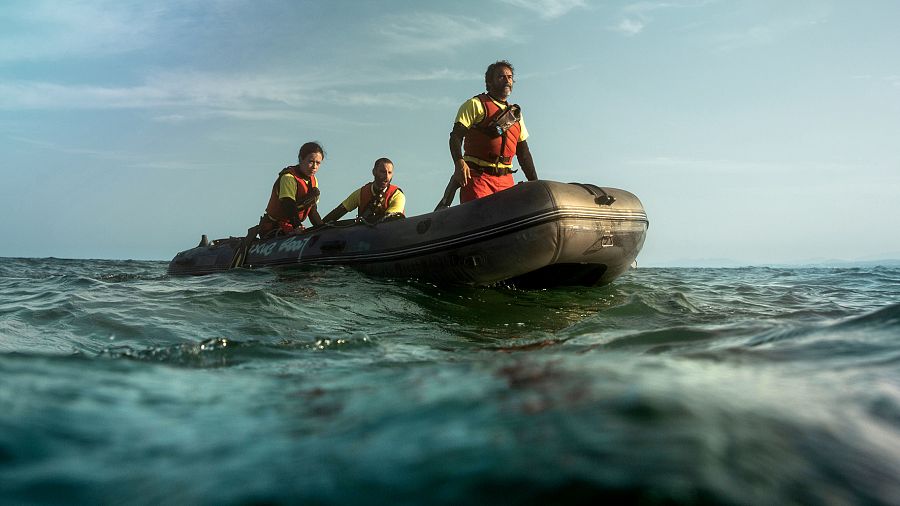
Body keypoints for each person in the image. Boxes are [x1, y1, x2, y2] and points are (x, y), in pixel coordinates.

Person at [435, 60, 539, 209]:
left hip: (506, 181)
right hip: (478, 179)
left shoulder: (516, 115)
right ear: (489, 82)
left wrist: (535, 183)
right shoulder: (475, 105)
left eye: (510, 77)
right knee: (479, 217)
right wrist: (459, 162)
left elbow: (524, 153)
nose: (507, 80)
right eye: (501, 77)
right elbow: (456, 136)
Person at [257, 141, 325, 238]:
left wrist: (322, 228)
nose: (314, 167)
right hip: (274, 227)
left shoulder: (313, 180)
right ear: (301, 159)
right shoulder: (288, 178)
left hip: (291, 226)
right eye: (311, 161)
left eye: (318, 163)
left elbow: (312, 210)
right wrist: (297, 226)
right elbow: (288, 205)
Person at [322, 158, 405, 223]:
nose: (386, 176)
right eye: (383, 172)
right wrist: (319, 226)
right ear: (374, 172)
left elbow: (391, 218)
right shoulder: (361, 193)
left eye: (389, 173)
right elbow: (338, 211)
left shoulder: (397, 195)